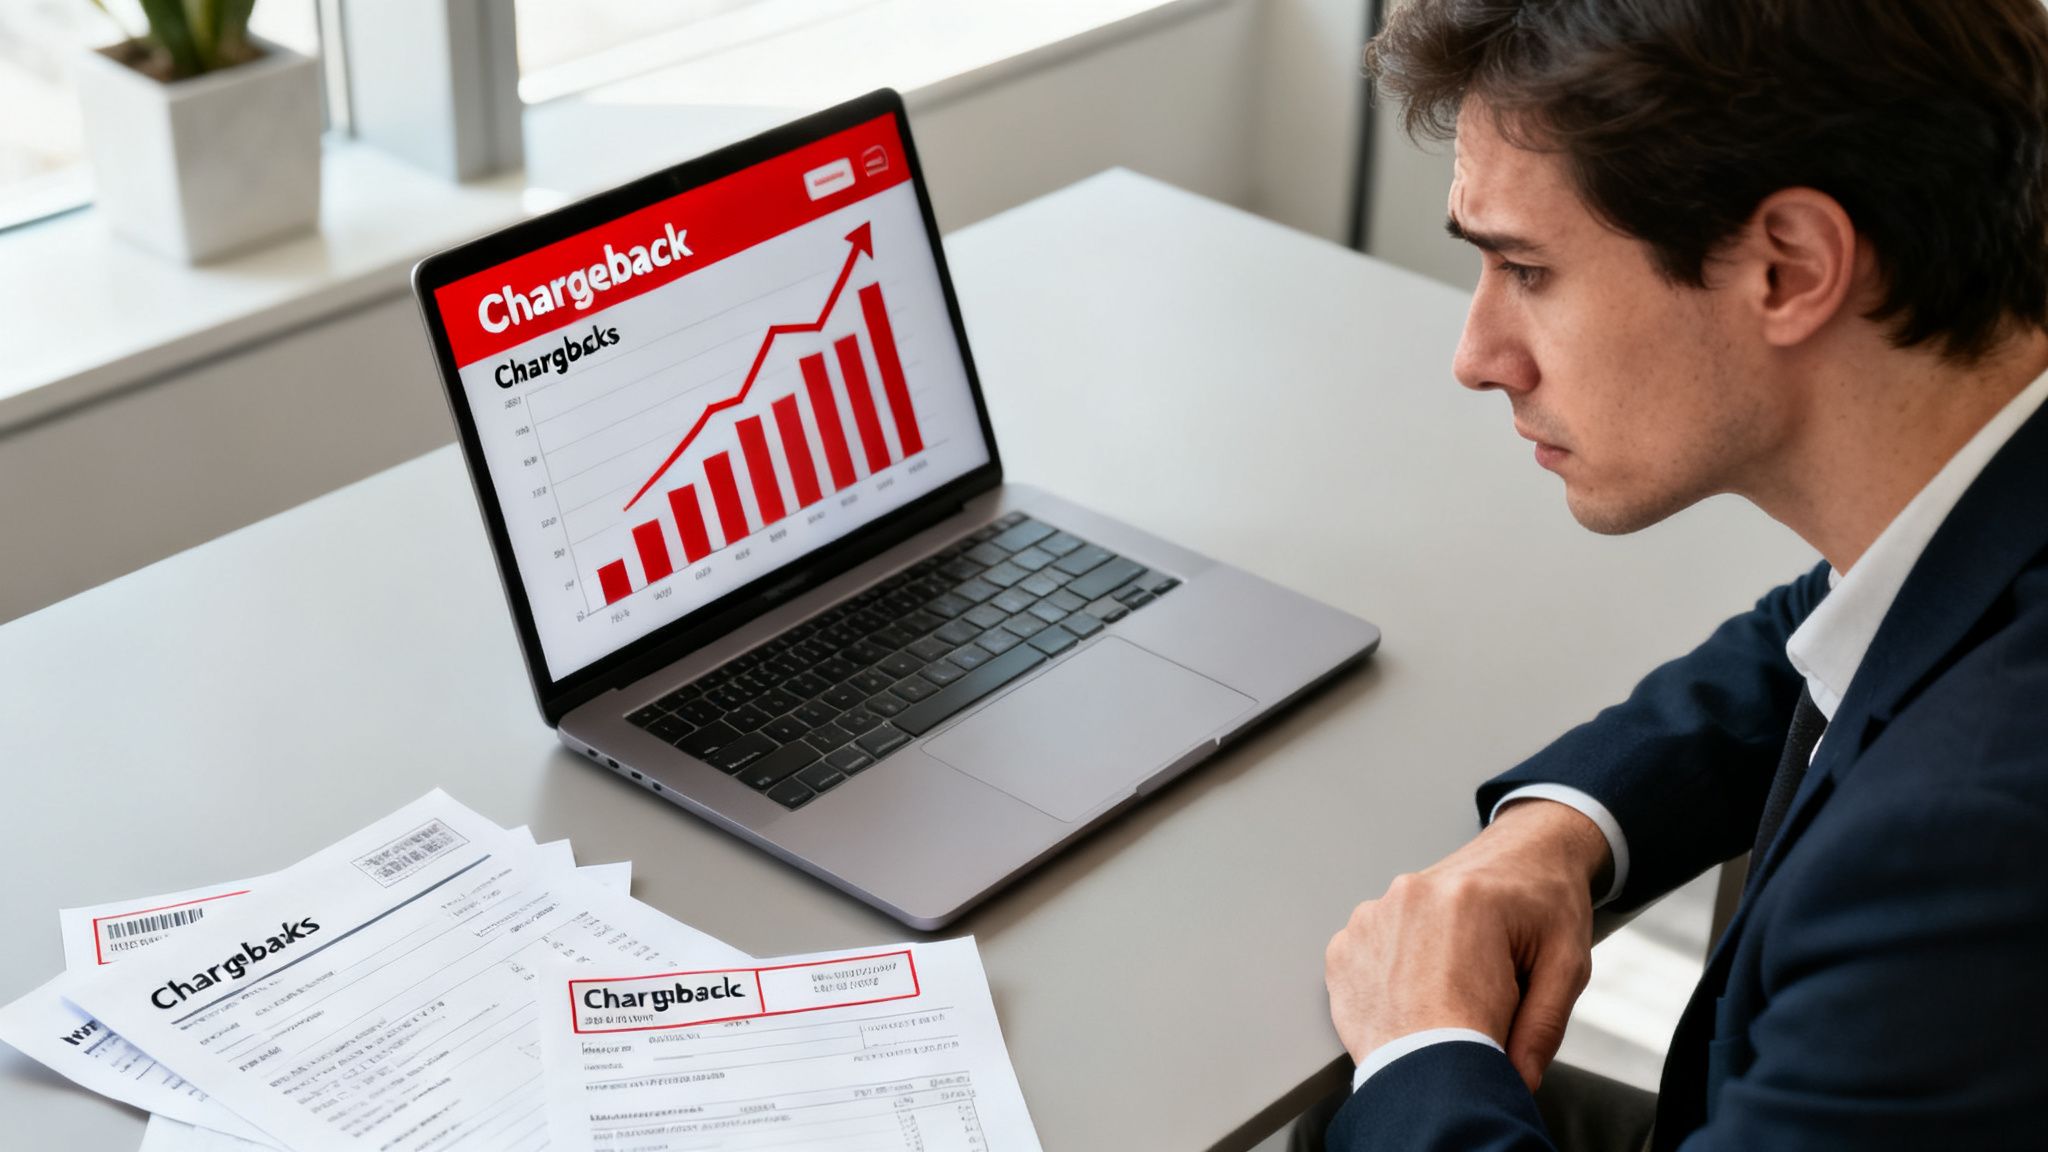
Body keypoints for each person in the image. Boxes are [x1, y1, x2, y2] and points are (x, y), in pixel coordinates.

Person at [1306, 1, 2048, 1149]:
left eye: (1526, 268)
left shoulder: (1961, 862)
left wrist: (1420, 1040)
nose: (1476, 358)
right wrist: (1558, 831)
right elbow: (1830, 629)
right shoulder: (1983, 477)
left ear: (1787, 266)